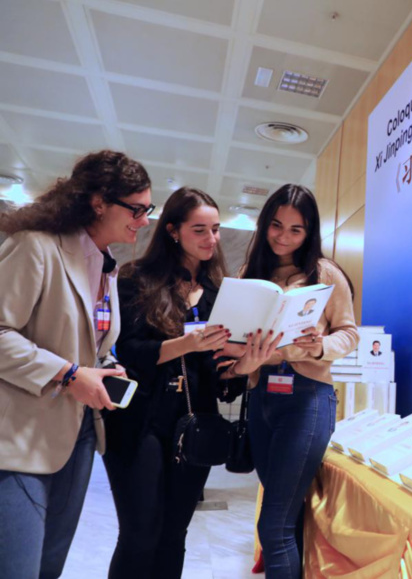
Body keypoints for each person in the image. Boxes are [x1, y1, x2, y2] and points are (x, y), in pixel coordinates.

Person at [103, 187, 279, 579]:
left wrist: (243, 367)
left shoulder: (222, 294)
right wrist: (186, 343)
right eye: (199, 229)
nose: (211, 239)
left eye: (215, 229)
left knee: (173, 534)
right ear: (172, 231)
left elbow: (221, 382)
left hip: (195, 423)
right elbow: (128, 351)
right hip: (139, 420)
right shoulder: (136, 280)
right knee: (139, 533)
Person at [0, 150, 151, 578]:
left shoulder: (107, 266)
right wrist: (68, 374)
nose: (143, 220)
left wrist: (105, 365)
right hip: (19, 439)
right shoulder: (36, 247)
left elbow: (87, 341)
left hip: (80, 435)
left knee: (50, 566)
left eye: (148, 209)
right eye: (136, 209)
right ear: (99, 202)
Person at [226, 184, 358, 579]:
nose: (283, 236)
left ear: (309, 232)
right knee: (288, 516)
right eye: (276, 225)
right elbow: (230, 335)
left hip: (307, 400)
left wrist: (318, 346)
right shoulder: (249, 275)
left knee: (274, 524)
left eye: (295, 230)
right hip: (261, 397)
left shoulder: (325, 272)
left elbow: (349, 334)